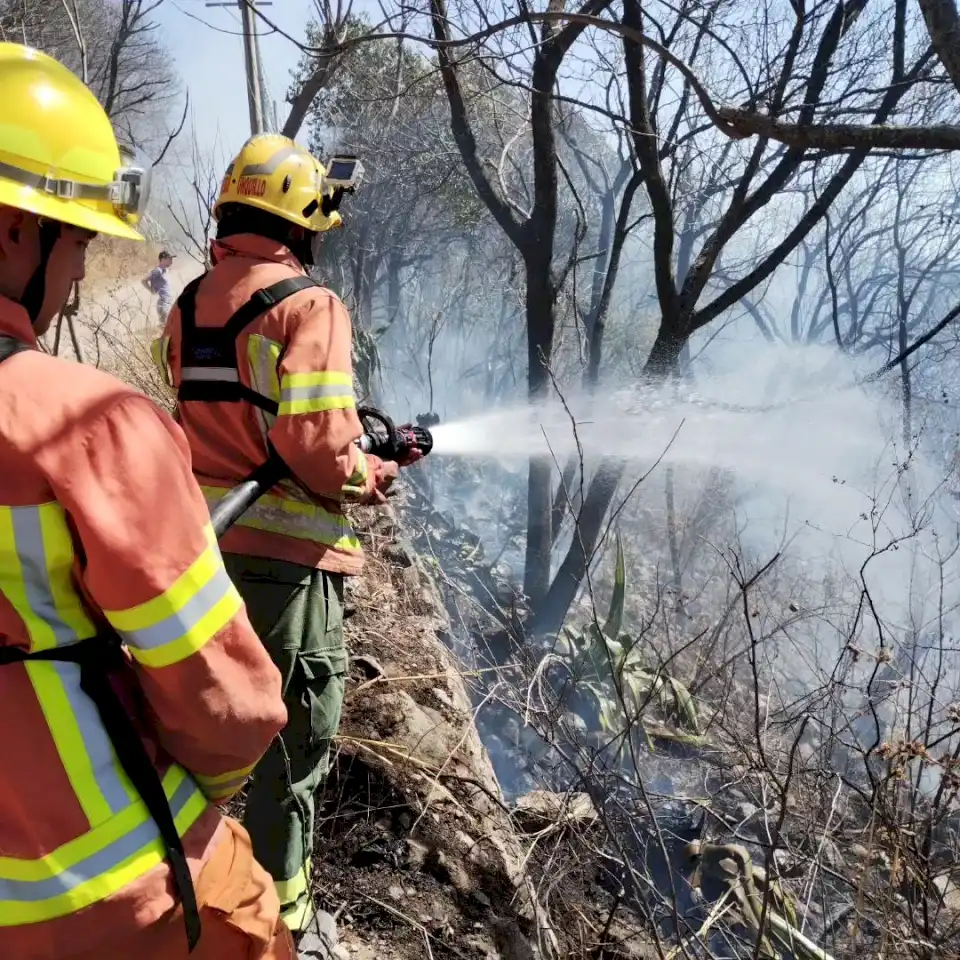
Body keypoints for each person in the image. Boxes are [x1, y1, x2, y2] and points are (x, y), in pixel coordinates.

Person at [0, 42, 295, 960]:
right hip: (116, 891)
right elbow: (227, 711)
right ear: (14, 229)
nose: (81, 274)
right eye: (78, 238)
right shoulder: (81, 421)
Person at [152, 132, 421, 952]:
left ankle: (188, 900)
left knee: (199, 742)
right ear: (301, 223)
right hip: (289, 582)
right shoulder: (313, 307)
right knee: (287, 754)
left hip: (199, 559)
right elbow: (314, 447)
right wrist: (370, 475)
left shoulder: (190, 302)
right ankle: (281, 929)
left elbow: (219, 424)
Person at [143, 249, 175, 324]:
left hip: (168, 302)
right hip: (163, 304)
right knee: (165, 327)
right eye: (169, 258)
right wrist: (152, 290)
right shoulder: (157, 270)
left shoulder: (165, 270)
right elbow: (144, 280)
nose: (171, 260)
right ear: (163, 259)